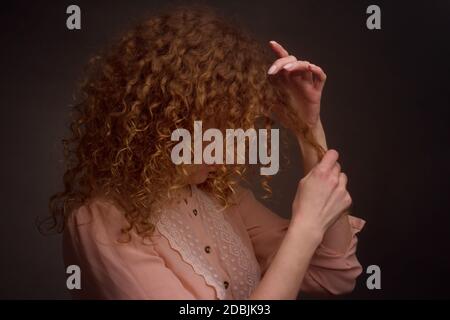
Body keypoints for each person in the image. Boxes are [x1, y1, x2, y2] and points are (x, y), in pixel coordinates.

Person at [49, 6, 365, 299]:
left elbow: (333, 275)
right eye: (209, 137)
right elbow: (309, 245)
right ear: (156, 127)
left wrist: (307, 126)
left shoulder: (223, 200)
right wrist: (305, 227)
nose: (226, 155)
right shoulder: (100, 222)